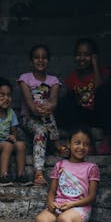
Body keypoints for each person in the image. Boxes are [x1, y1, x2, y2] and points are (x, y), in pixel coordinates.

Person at [18, 44, 68, 186]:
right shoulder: (25, 78)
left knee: (45, 119)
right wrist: (37, 108)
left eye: (44, 57)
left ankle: (40, 171)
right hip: (28, 118)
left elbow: (53, 102)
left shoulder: (53, 81)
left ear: (48, 60)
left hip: (46, 116)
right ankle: (39, 170)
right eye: (36, 57)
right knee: (41, 130)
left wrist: (48, 107)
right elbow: (30, 104)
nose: (40, 60)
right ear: (31, 61)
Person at [61, 38, 111, 154]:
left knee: (104, 91)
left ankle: (106, 141)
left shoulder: (104, 72)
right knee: (65, 102)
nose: (82, 58)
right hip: (84, 117)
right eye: (79, 54)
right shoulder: (72, 78)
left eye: (87, 55)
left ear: (94, 56)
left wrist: (95, 65)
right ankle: (87, 143)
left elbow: (100, 88)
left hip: (102, 115)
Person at [0, 77, 32, 186]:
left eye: (9, 95)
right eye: (2, 95)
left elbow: (14, 131)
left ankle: (20, 175)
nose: (6, 98)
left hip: (5, 143)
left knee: (21, 145)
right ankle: (3, 176)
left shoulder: (11, 112)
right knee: (7, 146)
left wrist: (13, 136)